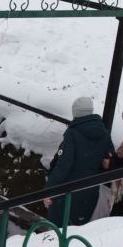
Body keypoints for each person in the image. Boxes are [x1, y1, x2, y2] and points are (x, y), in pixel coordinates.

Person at [43, 96, 114, 227]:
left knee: (59, 230)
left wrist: (49, 190)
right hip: (90, 191)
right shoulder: (104, 133)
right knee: (80, 229)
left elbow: (63, 166)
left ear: (75, 112)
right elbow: (109, 160)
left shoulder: (73, 134)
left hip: (67, 191)